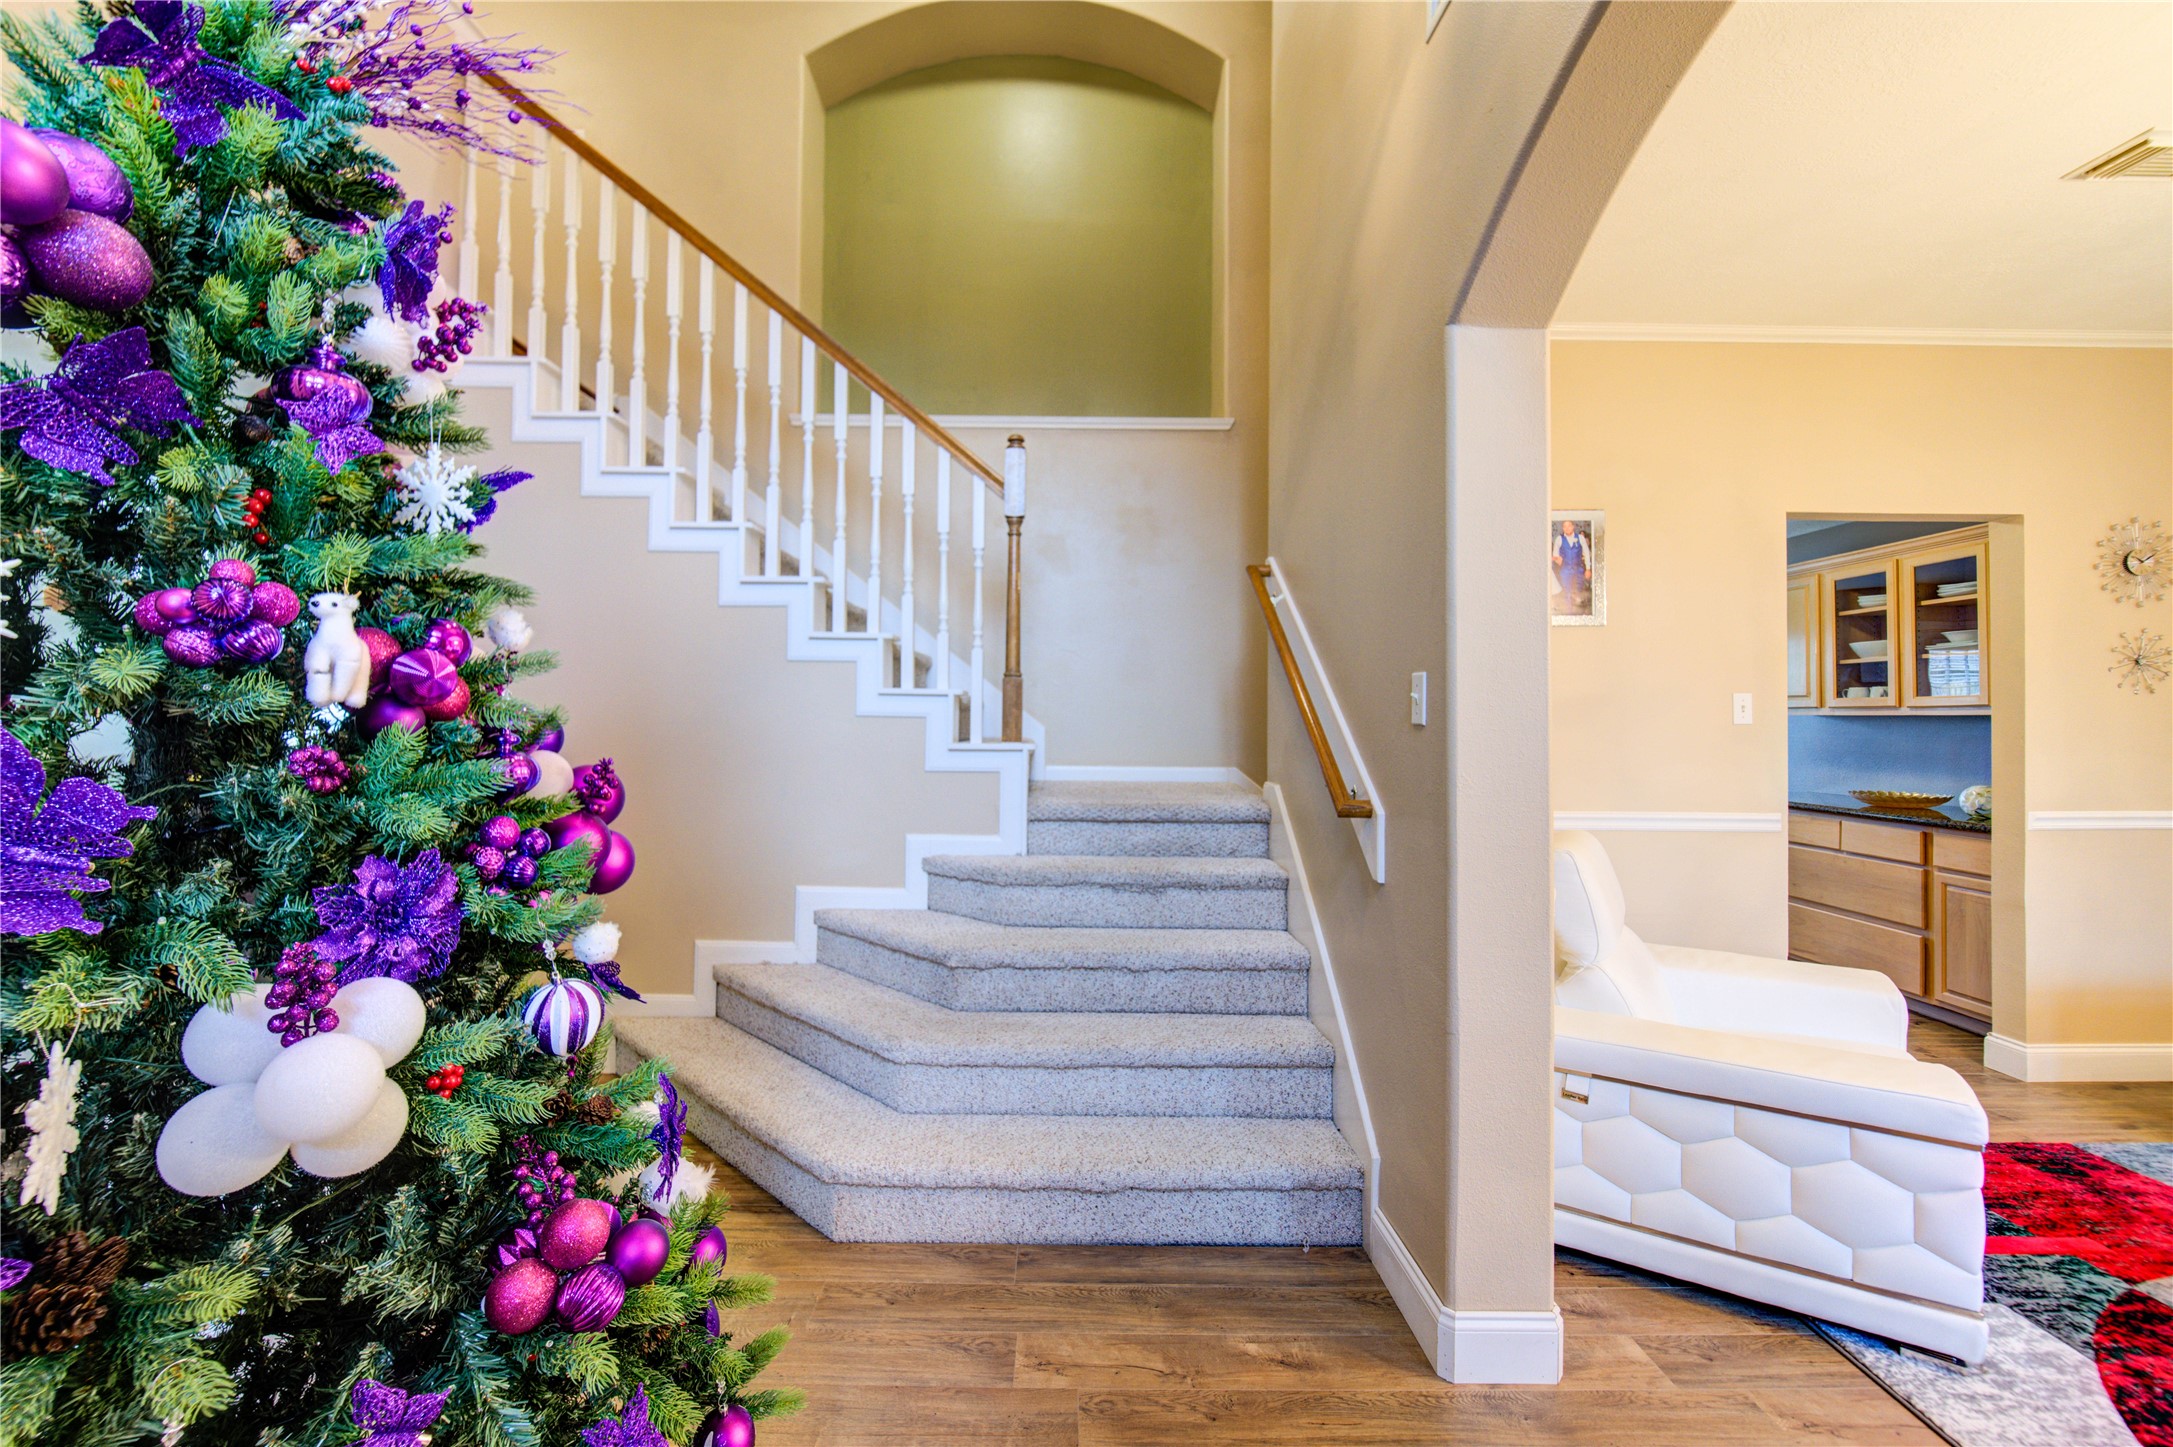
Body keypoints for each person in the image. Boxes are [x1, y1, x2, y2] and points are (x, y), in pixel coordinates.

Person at [1552, 518, 1591, 615]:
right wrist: (1558, 560)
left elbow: (1586, 552)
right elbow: (1555, 555)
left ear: (1573, 526)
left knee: (1578, 592)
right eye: (1564, 526)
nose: (1567, 528)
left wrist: (1588, 569)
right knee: (1567, 593)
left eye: (1569, 525)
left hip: (1579, 570)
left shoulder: (1580, 538)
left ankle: (1578, 615)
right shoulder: (1559, 539)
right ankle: (1568, 614)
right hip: (1565, 570)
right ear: (1563, 528)